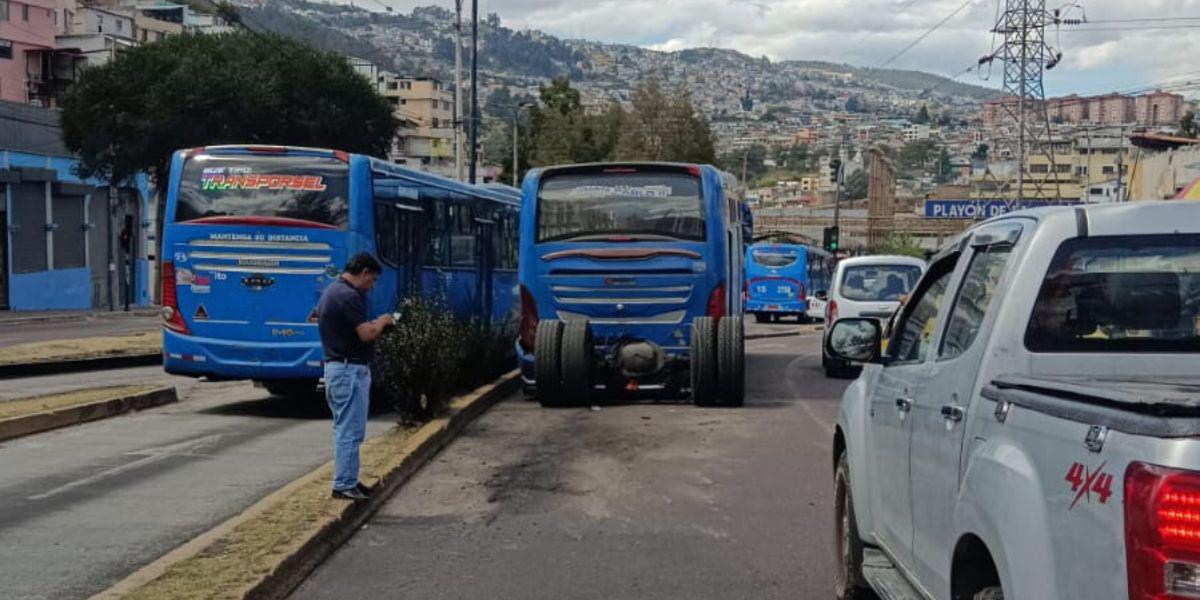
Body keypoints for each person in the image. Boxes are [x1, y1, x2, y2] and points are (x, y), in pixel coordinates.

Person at [317, 252, 395, 501]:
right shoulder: (350, 296)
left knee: (350, 429)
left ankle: (349, 480)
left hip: (342, 368)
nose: (371, 287)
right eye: (372, 281)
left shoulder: (333, 291)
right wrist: (382, 322)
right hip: (348, 370)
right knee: (349, 431)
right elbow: (367, 335)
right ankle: (343, 484)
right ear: (364, 273)